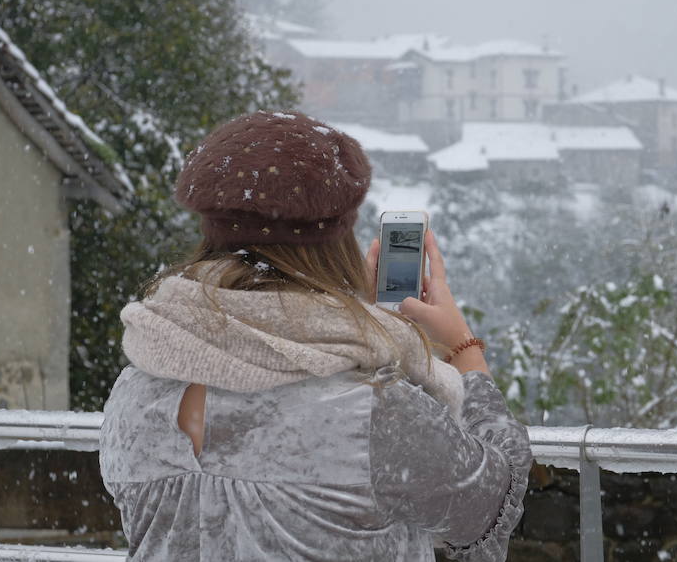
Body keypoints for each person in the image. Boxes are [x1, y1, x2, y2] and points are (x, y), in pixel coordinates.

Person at [98, 110, 533, 561]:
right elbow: (489, 503)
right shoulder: (368, 408)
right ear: (337, 238)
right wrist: (463, 348)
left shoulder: (135, 392)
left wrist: (350, 313)